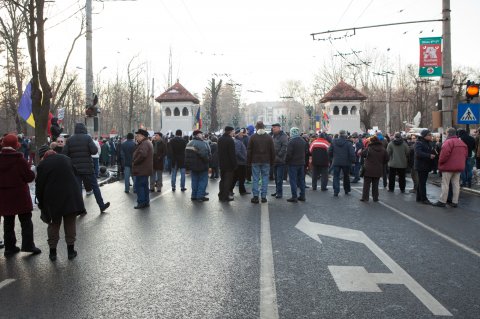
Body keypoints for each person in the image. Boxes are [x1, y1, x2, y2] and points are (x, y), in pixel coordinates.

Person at [36, 145, 84, 261]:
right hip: (71, 197)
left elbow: (39, 186)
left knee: (53, 225)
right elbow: (76, 172)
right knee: (70, 224)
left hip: (53, 200)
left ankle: (53, 253)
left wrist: (41, 203)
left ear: (43, 156)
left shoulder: (42, 165)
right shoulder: (66, 159)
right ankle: (71, 251)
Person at [0, 134, 41, 257]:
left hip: (4, 196)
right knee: (26, 221)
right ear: (15, 145)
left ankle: (9, 247)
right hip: (20, 195)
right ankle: (28, 245)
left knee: (8, 222)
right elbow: (29, 177)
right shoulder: (19, 159)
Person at [63, 123, 110, 213]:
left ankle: (81, 209)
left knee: (78, 189)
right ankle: (101, 206)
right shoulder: (87, 138)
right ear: (84, 129)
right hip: (88, 168)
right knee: (95, 187)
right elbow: (94, 151)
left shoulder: (70, 140)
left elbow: (65, 154)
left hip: (75, 169)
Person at [432, 128, 467, 208]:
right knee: (456, 184)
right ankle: (455, 202)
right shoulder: (462, 142)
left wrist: (440, 163)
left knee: (445, 184)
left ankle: (442, 201)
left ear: (448, 134)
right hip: (459, 167)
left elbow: (443, 156)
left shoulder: (448, 142)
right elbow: (465, 154)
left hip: (448, 167)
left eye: (446, 133)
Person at [247, 121, 275, 204]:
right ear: (263, 127)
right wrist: (272, 161)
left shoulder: (252, 137)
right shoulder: (269, 137)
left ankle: (255, 196)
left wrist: (248, 161)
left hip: (255, 161)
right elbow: (272, 151)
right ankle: (263, 197)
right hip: (266, 161)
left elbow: (249, 150)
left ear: (256, 128)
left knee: (255, 179)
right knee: (265, 178)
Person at [360, 136, 389, 202]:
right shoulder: (383, 149)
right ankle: (375, 198)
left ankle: (365, 198)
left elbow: (362, 154)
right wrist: (381, 163)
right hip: (378, 169)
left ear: (372, 141)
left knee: (366, 184)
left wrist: (360, 152)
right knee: (375, 185)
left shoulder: (369, 148)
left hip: (368, 169)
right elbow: (387, 159)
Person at [328, 129, 355, 197]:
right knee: (346, 176)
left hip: (336, 161)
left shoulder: (333, 141)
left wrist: (332, 158)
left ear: (339, 134)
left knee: (336, 177)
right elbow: (352, 153)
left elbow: (329, 151)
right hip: (346, 162)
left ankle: (336, 191)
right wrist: (352, 161)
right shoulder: (348, 143)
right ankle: (346, 190)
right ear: (345, 135)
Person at [185, 130, 210, 202]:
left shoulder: (189, 143)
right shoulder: (202, 143)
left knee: (194, 181)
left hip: (193, 166)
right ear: (197, 135)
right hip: (202, 165)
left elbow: (187, 156)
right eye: (201, 134)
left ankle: (194, 195)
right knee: (203, 181)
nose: (202, 135)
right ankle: (200, 196)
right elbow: (204, 155)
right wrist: (208, 160)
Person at [132, 129, 153, 209]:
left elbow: (142, 155)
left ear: (142, 136)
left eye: (138, 136)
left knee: (139, 186)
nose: (136, 137)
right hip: (145, 169)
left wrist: (135, 162)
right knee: (144, 186)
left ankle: (141, 202)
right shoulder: (147, 142)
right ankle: (146, 202)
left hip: (141, 169)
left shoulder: (144, 143)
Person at [414, 129, 436, 205]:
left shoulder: (428, 143)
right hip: (421, 165)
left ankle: (419, 197)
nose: (431, 136)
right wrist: (429, 155)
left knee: (421, 182)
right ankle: (424, 199)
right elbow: (418, 153)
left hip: (426, 165)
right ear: (424, 136)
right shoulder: (419, 143)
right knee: (422, 182)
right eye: (429, 135)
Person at [286, 127, 307, 203]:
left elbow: (288, 154)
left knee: (293, 181)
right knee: (301, 180)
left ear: (291, 133)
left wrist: (286, 161)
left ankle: (294, 196)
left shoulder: (291, 142)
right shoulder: (303, 141)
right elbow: (306, 152)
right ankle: (302, 196)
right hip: (301, 163)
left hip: (293, 164)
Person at [218, 126, 237, 202]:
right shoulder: (230, 140)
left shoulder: (220, 139)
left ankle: (221, 194)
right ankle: (225, 196)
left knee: (222, 180)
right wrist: (235, 164)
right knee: (227, 181)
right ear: (229, 132)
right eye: (233, 131)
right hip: (229, 164)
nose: (234, 133)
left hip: (222, 163)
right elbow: (232, 154)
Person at [271, 123, 288, 199]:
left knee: (279, 178)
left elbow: (284, 147)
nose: (273, 129)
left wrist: (278, 156)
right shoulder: (273, 135)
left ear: (278, 128)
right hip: (274, 160)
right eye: (273, 127)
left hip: (280, 160)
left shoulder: (283, 136)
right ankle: (277, 191)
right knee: (276, 178)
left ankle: (280, 193)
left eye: (274, 127)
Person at [232, 129, 249, 196]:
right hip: (240, 163)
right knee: (240, 177)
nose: (243, 134)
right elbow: (237, 152)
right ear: (238, 134)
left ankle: (241, 190)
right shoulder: (238, 142)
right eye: (242, 133)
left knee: (237, 177)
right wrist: (244, 158)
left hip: (240, 162)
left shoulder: (239, 141)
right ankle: (240, 191)